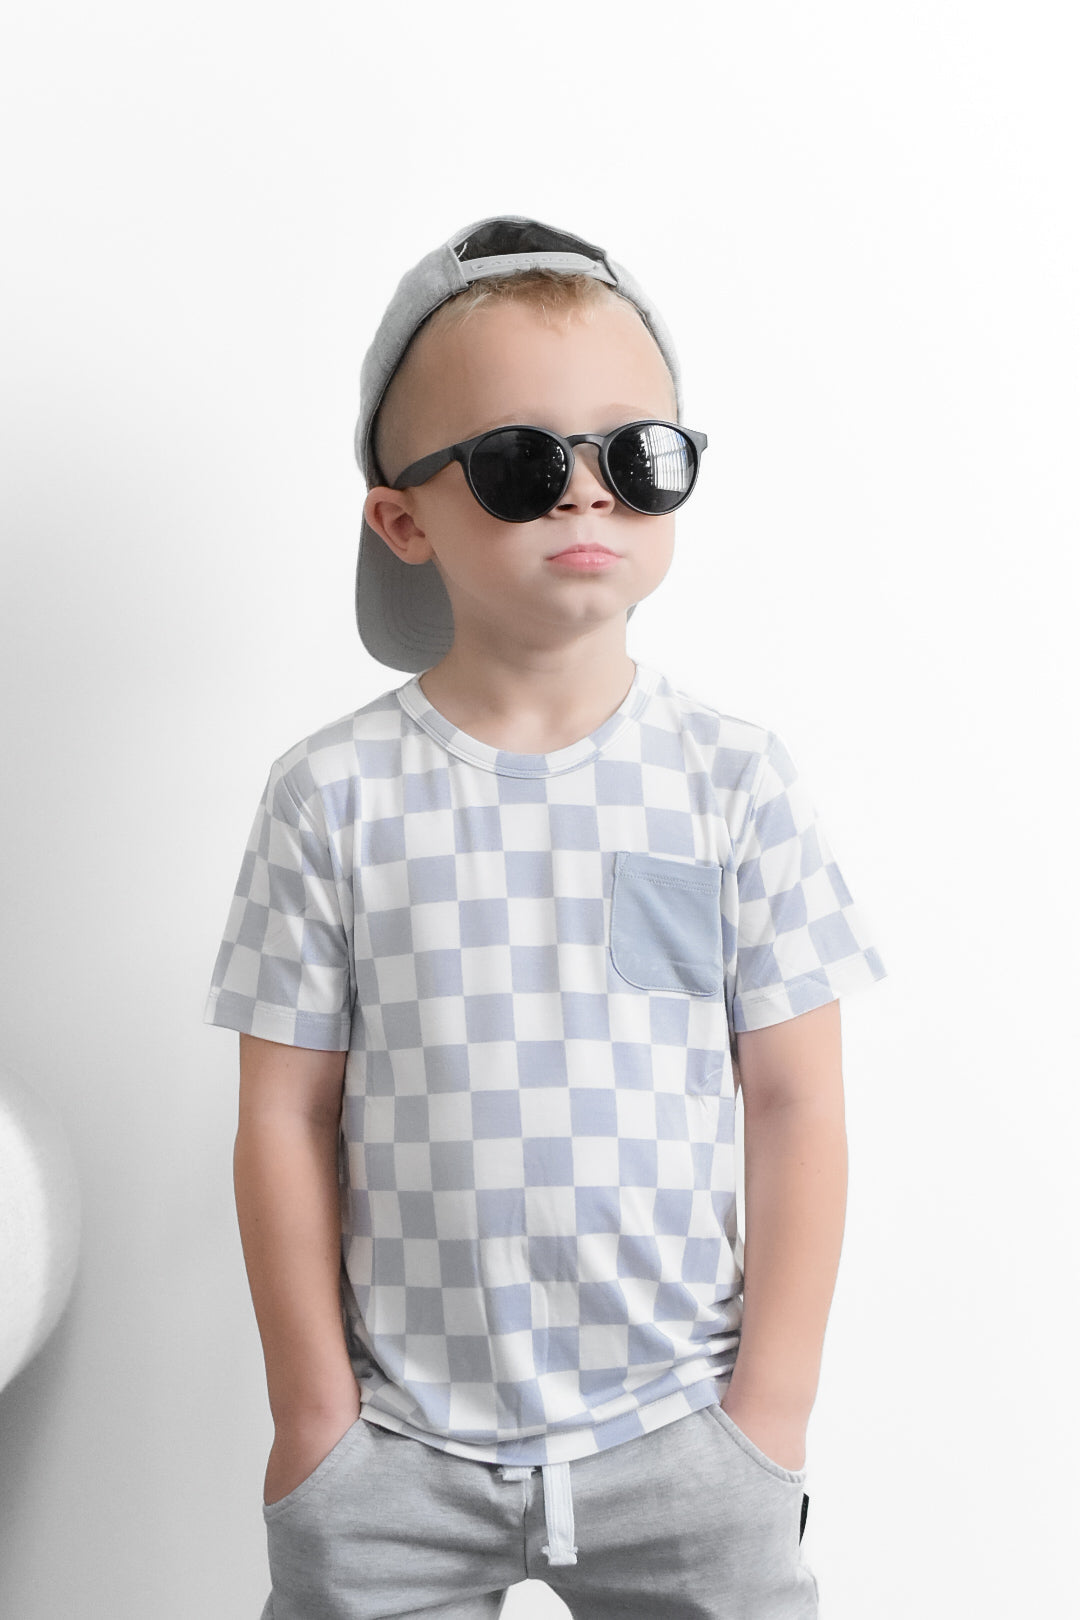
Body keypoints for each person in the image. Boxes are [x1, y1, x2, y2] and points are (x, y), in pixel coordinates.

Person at [204, 215, 888, 1620]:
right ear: (404, 519)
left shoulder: (734, 783)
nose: (588, 496)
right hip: (393, 1454)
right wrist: (314, 1421)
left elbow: (797, 1104)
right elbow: (283, 1117)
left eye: (638, 457)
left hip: (683, 1432)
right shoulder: (330, 796)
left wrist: (768, 1415)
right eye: (522, 464)